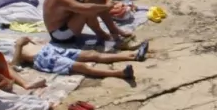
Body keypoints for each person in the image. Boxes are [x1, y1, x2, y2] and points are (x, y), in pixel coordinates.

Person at [11, 35, 142, 84]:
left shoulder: (3, 39)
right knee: (81, 67)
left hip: (49, 49)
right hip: (43, 58)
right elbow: (13, 64)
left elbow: (29, 39)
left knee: (92, 54)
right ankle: (120, 73)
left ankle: (131, 55)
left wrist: (23, 40)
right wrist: (18, 45)